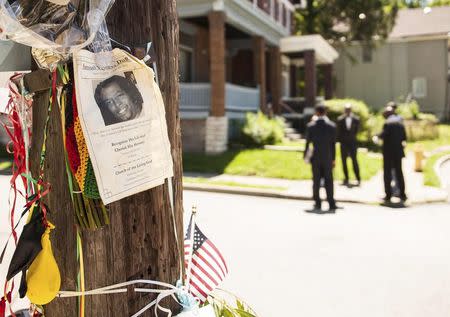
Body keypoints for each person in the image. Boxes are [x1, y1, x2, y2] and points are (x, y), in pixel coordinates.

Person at [304, 104, 338, 211]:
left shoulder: (311, 126)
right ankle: (331, 202)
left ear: (316, 113)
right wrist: (333, 158)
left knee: (316, 180)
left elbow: (307, 143)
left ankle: (317, 202)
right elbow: (333, 145)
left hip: (316, 157)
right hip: (327, 157)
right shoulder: (332, 126)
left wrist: (305, 156)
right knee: (329, 181)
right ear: (325, 112)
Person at [378, 106, 407, 203]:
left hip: (388, 154)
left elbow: (382, 135)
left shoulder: (387, 124)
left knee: (387, 174)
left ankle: (388, 195)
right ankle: (402, 194)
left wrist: (376, 137)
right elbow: (404, 138)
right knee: (399, 173)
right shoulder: (400, 124)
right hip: (398, 153)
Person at [337, 103, 361, 186]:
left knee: (354, 161)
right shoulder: (340, 119)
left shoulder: (356, 119)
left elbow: (356, 131)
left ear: (351, 110)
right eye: (346, 110)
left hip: (352, 143)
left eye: (348, 109)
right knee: (344, 162)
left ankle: (358, 178)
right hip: (343, 144)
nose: (347, 111)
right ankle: (346, 178)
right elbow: (339, 132)